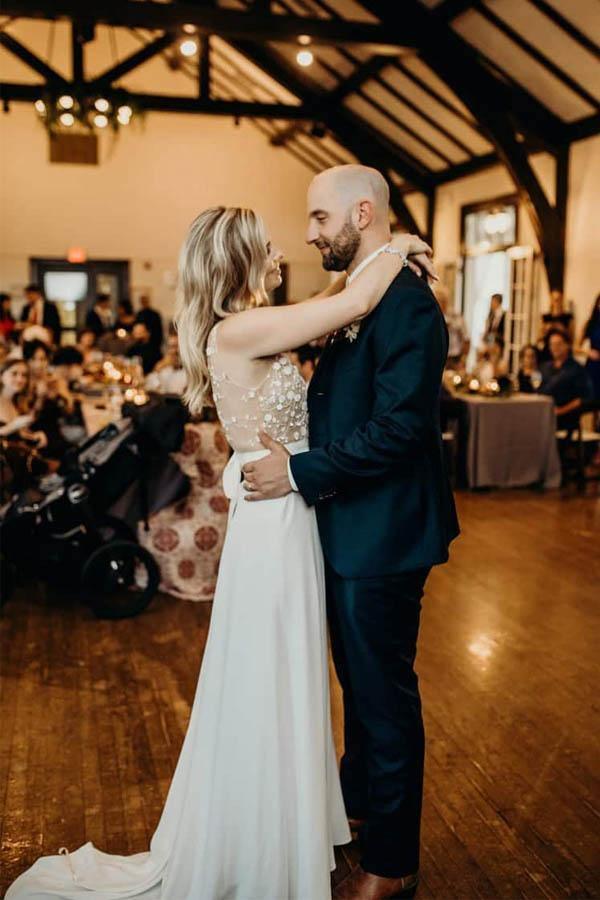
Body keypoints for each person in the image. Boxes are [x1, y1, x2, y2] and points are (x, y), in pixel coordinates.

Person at [5, 196, 435, 900]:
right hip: (278, 518)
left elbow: (334, 301)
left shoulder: (246, 324)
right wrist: (399, 245)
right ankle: (264, 834)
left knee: (282, 667)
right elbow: (353, 301)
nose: (281, 252)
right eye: (266, 246)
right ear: (240, 259)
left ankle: (286, 818)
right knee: (271, 671)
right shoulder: (244, 330)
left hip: (287, 512)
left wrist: (386, 250)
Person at [242, 165, 459, 900]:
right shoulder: (360, 289)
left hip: (385, 532)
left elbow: (400, 429)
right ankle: (361, 806)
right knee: (359, 686)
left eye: (319, 218)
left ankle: (393, 862)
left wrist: (299, 473)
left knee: (383, 695)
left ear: (361, 214)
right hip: (349, 522)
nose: (309, 233)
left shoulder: (407, 303)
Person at [540, 329, 593, 430]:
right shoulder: (544, 367)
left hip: (564, 417)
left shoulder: (577, 369)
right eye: (552, 344)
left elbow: (583, 399)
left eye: (558, 344)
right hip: (541, 413)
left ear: (567, 345)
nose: (555, 348)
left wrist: (560, 411)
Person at [435, 284, 469, 367]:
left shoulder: (455, 316)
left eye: (442, 300)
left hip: (454, 358)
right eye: (438, 299)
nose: (439, 302)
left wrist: (463, 359)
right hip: (437, 357)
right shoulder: (433, 316)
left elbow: (466, 338)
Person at [537, 290, 575, 362]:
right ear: (551, 300)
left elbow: (572, 338)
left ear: (562, 300)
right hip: (548, 351)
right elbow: (539, 338)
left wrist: (562, 329)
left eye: (559, 299)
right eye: (554, 299)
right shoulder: (545, 318)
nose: (557, 301)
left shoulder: (568, 317)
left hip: (563, 352)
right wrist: (546, 329)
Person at [579, 293, 600, 401]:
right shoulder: (590, 323)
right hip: (594, 365)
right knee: (592, 398)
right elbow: (575, 347)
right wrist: (588, 352)